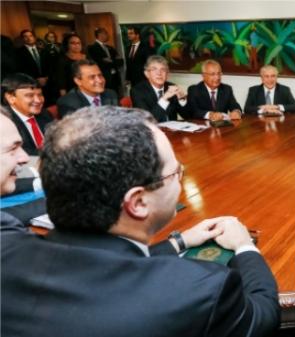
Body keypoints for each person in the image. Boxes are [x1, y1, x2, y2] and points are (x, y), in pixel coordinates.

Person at [1, 106, 280, 337]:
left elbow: (106, 266)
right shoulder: (198, 289)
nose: (180, 180)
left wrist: (179, 241)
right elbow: (263, 317)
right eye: (175, 174)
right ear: (137, 203)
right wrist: (244, 246)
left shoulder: (7, 244)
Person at [1, 73, 53, 155]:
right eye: (30, 95)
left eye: (40, 95)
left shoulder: (44, 114)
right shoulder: (5, 123)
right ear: (11, 98)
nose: (38, 100)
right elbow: (22, 153)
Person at [131, 55, 187, 122]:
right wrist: (164, 98)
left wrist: (182, 99)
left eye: (163, 69)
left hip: (172, 130)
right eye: (154, 69)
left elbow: (187, 116)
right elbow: (148, 121)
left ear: (167, 74)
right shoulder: (138, 91)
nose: (159, 73)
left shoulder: (171, 87)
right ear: (146, 74)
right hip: (152, 131)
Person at [87, 27, 123, 94]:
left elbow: (121, 61)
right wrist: (113, 61)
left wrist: (110, 61)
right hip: (103, 78)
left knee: (116, 97)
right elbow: (98, 63)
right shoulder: (92, 48)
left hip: (115, 78)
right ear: (100, 34)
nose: (108, 36)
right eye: (106, 34)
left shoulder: (110, 48)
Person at [41, 31, 61, 106]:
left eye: (53, 36)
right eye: (50, 36)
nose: (52, 38)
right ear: (46, 38)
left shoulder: (60, 45)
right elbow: (44, 63)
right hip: (52, 73)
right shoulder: (45, 48)